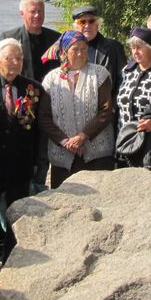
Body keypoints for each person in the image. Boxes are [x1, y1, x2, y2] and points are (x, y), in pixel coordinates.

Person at [0, 39, 43, 276]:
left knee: (17, 212)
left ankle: (11, 260)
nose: (15, 63)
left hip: (20, 161)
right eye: (9, 58)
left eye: (19, 58)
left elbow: (37, 131)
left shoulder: (33, 88)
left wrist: (37, 161)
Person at [38, 31, 115, 188]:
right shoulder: (51, 79)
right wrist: (66, 142)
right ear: (65, 52)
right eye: (75, 49)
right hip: (64, 156)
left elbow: (106, 111)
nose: (80, 53)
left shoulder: (99, 74)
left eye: (84, 48)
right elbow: (44, 117)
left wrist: (82, 136)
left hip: (97, 154)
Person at [2, 0, 61, 196]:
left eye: (41, 11)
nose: (37, 15)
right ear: (22, 13)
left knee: (43, 153)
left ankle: (39, 190)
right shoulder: (9, 37)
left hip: (46, 105)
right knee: (21, 151)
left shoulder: (55, 39)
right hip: (19, 105)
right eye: (32, 11)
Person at [114, 28, 151, 172]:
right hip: (126, 141)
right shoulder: (127, 72)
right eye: (132, 48)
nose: (135, 52)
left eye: (139, 47)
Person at [71, 6, 127, 95]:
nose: (87, 25)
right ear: (75, 26)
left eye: (91, 21)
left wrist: (112, 106)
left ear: (97, 24)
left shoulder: (114, 47)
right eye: (82, 22)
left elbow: (123, 80)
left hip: (105, 105)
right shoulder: (68, 50)